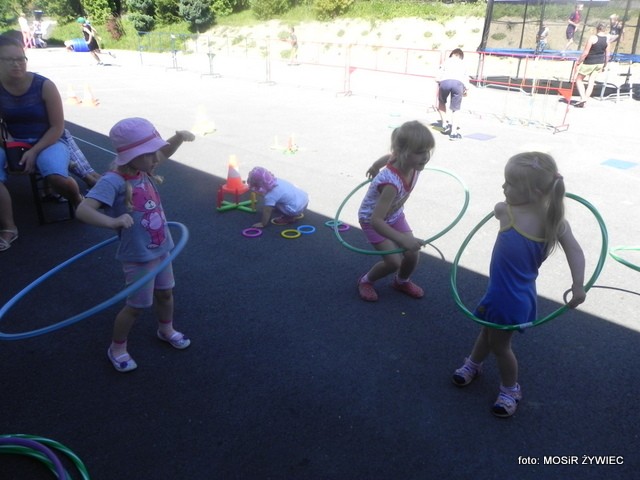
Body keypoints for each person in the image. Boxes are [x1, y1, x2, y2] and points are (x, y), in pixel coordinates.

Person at [452, 152, 586, 418]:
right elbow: (575, 252)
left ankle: (510, 389)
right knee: (488, 332)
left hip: (513, 297)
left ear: (535, 192)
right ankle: (473, 363)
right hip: (499, 291)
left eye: (510, 184)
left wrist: (579, 285)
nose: (504, 187)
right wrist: (578, 284)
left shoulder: (532, 218)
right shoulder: (523, 214)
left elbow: (575, 251)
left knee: (500, 346)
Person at [75, 117, 195, 372]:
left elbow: (163, 153)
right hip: (139, 256)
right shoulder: (113, 181)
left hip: (162, 248)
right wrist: (113, 221)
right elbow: (83, 210)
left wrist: (178, 138)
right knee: (137, 306)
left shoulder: (143, 169)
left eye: (154, 152)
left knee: (166, 293)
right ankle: (117, 347)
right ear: (131, 156)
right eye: (149, 154)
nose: (155, 158)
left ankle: (166, 329)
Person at [0, 35, 84, 208]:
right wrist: (12, 148)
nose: (17, 64)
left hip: (49, 141)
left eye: (21, 59)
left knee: (57, 178)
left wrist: (34, 151)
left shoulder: (45, 86)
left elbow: (57, 127)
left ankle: (78, 200)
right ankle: (9, 223)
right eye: (9, 60)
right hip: (14, 141)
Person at [356, 121, 435, 302]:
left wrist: (375, 165)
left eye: (427, 151)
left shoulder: (410, 164)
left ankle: (401, 281)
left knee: (412, 253)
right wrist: (402, 239)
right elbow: (376, 220)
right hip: (372, 220)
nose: (425, 157)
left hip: (394, 214)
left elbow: (389, 157)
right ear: (402, 152)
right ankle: (365, 281)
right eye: (419, 152)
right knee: (393, 262)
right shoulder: (390, 183)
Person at [436, 49, 471, 141]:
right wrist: (466, 89)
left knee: (441, 102)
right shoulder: (463, 64)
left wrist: (439, 81)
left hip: (445, 82)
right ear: (461, 56)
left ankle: (445, 124)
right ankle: (454, 133)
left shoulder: (446, 61)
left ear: (452, 54)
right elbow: (466, 78)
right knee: (455, 109)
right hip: (458, 84)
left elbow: (438, 76)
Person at [573, 22, 610, 108]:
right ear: (604, 30)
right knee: (591, 82)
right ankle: (584, 102)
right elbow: (607, 55)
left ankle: (583, 98)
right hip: (599, 63)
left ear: (597, 29)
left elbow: (585, 53)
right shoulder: (607, 40)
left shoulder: (592, 38)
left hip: (590, 62)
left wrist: (578, 62)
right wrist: (605, 65)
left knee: (579, 79)